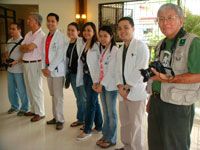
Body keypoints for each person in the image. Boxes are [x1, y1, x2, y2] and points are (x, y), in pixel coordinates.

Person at [146, 3, 200, 150]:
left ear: (181, 20)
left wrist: (168, 79)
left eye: (170, 17)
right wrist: (152, 98)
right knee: (155, 143)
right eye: (161, 19)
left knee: (175, 146)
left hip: (177, 105)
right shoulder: (161, 44)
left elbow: (198, 75)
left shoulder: (192, 42)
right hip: (157, 102)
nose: (165, 22)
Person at [115, 17, 149, 150]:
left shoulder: (141, 47)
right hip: (122, 92)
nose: (122, 31)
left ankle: (136, 148)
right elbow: (117, 71)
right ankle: (127, 146)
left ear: (133, 29)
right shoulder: (120, 49)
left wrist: (126, 87)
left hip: (136, 92)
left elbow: (140, 70)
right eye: (119, 28)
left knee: (136, 124)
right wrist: (120, 86)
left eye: (126, 27)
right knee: (125, 123)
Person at [93, 25, 118, 148]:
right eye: (100, 36)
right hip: (102, 85)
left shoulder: (114, 50)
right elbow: (100, 68)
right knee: (106, 112)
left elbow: (112, 71)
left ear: (111, 36)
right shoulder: (103, 50)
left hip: (111, 86)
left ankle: (111, 138)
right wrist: (96, 82)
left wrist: (102, 84)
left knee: (111, 113)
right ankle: (105, 135)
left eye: (105, 36)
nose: (102, 38)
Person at [76, 22, 103, 141]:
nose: (86, 33)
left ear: (94, 32)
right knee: (94, 102)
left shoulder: (97, 45)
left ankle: (87, 130)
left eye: (89, 30)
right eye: (85, 30)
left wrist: (98, 80)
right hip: (86, 77)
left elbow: (100, 64)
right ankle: (98, 126)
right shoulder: (84, 44)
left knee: (90, 104)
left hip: (94, 79)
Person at [41, 13, 66, 130]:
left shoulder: (60, 37)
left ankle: (60, 119)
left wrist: (49, 69)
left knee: (58, 96)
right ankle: (55, 117)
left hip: (56, 71)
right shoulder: (46, 36)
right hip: (48, 70)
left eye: (53, 21)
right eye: (48, 21)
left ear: (57, 23)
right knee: (52, 95)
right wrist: (43, 67)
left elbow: (59, 55)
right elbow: (43, 54)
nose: (50, 23)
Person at [20, 12, 45, 122]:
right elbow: (21, 48)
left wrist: (27, 47)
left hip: (35, 64)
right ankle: (34, 109)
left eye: (30, 20)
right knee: (29, 88)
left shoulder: (41, 35)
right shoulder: (28, 34)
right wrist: (26, 47)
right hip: (26, 63)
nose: (28, 21)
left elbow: (29, 48)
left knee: (36, 89)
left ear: (36, 21)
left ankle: (40, 112)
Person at [5, 23, 29, 116]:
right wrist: (7, 58)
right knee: (11, 89)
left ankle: (25, 108)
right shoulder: (9, 41)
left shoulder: (23, 41)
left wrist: (16, 62)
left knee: (21, 89)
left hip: (19, 69)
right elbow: (7, 51)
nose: (11, 31)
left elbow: (25, 56)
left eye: (13, 29)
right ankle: (14, 106)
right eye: (10, 29)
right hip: (10, 69)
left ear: (19, 30)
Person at [66, 22, 86, 128]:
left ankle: (87, 120)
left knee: (83, 98)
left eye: (73, 30)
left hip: (81, 74)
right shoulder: (67, 43)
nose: (70, 32)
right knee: (78, 98)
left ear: (78, 32)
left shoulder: (81, 41)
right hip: (72, 74)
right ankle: (80, 119)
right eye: (68, 30)